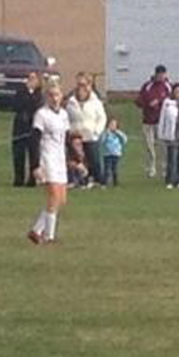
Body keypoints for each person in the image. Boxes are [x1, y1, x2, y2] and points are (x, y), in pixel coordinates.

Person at [27, 83, 70, 245]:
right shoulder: (41, 115)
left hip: (59, 158)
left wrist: (75, 159)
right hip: (47, 157)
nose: (54, 98)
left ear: (61, 96)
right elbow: (34, 140)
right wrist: (35, 165)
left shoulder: (64, 115)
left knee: (62, 199)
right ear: (47, 97)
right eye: (51, 95)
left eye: (57, 95)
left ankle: (36, 230)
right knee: (54, 195)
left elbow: (66, 138)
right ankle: (49, 236)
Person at [66, 73, 107, 187]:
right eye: (79, 84)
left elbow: (102, 118)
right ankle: (78, 180)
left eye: (84, 84)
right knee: (76, 159)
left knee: (93, 159)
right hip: (76, 136)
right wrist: (70, 131)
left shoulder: (96, 102)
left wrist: (96, 131)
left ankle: (98, 180)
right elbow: (67, 118)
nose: (81, 88)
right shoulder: (71, 102)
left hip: (91, 135)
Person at [135, 64, 172, 178]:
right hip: (148, 121)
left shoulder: (168, 86)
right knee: (149, 146)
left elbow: (171, 101)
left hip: (161, 121)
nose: (161, 76)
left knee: (163, 146)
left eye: (163, 74)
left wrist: (160, 103)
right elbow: (139, 101)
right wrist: (148, 104)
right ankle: (152, 167)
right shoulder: (147, 86)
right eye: (159, 74)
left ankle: (164, 168)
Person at [12, 71, 42, 187]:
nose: (30, 81)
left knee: (34, 155)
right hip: (20, 127)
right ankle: (18, 179)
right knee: (18, 154)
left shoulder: (39, 94)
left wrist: (30, 95)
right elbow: (16, 106)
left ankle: (32, 179)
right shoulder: (20, 92)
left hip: (33, 127)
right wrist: (27, 93)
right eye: (29, 78)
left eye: (33, 78)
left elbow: (36, 105)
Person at [101, 117, 127, 187]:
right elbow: (102, 141)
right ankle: (104, 183)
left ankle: (115, 182)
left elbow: (124, 140)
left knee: (114, 169)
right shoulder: (106, 133)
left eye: (114, 125)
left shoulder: (118, 134)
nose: (112, 126)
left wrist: (118, 133)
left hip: (116, 154)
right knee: (107, 169)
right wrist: (106, 133)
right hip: (107, 154)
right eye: (111, 124)